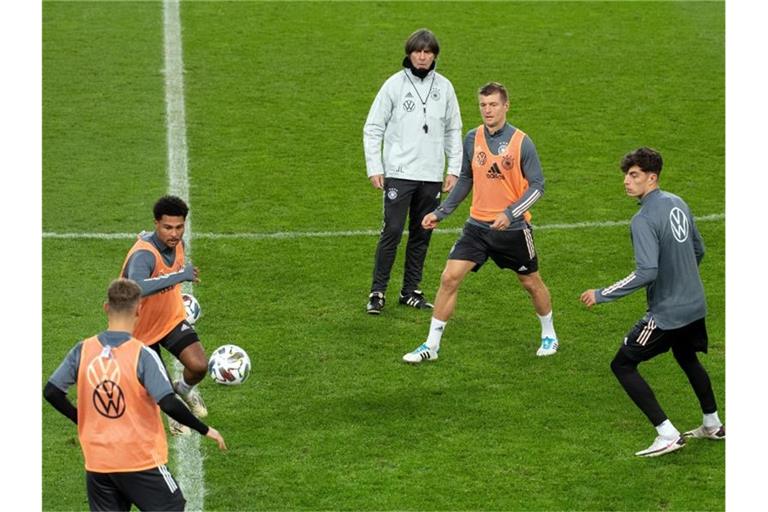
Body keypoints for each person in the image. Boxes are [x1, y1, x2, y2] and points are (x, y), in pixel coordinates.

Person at [579, 147, 724, 457]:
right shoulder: (678, 203)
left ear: (652, 177)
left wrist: (602, 293)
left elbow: (647, 272)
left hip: (668, 311)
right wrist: (682, 278)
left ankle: (667, 433)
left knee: (623, 364)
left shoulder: (643, 219)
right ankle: (712, 423)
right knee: (687, 358)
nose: (626, 182)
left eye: (634, 176)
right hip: (695, 304)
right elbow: (699, 250)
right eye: (626, 176)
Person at [402, 82, 559, 363]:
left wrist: (510, 214)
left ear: (505, 106)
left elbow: (537, 186)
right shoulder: (472, 137)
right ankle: (431, 345)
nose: (487, 110)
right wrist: (442, 212)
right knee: (449, 278)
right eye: (483, 105)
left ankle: (549, 334)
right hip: (476, 228)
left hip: (512, 230)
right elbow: (466, 178)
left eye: (493, 105)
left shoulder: (522, 142)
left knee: (531, 282)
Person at [43, 278, 227, 511]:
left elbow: (52, 391)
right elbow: (169, 403)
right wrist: (205, 429)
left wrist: (81, 419)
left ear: (106, 307)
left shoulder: (83, 349)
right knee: (174, 507)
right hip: (140, 461)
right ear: (139, 309)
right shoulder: (142, 354)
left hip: (99, 463)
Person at [363, 28, 463, 314]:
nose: (422, 56)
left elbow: (453, 130)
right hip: (399, 172)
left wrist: (453, 169)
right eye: (418, 51)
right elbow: (373, 127)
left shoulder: (444, 87)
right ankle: (377, 291)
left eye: (428, 52)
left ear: (434, 56)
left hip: (431, 175)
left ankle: (410, 291)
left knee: (422, 234)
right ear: (409, 53)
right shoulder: (394, 85)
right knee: (392, 231)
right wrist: (375, 167)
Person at [120, 195, 207, 434]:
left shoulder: (178, 244)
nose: (174, 233)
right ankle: (173, 412)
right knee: (164, 392)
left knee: (199, 366)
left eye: (179, 227)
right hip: (139, 333)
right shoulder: (143, 255)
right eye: (168, 227)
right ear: (156, 224)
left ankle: (185, 390)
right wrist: (181, 276)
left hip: (169, 319)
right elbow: (138, 287)